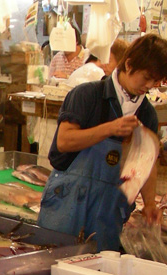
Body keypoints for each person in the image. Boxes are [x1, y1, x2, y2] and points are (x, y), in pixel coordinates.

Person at [38, 33, 167, 251]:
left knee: (99, 269)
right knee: (53, 264)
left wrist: (150, 204)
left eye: (156, 81)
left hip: (108, 213)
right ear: (129, 64)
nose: (149, 85)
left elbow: (146, 162)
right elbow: (64, 141)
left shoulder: (147, 114)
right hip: (67, 205)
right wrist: (110, 129)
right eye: (146, 77)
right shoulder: (86, 95)